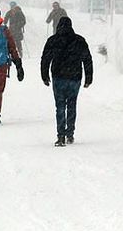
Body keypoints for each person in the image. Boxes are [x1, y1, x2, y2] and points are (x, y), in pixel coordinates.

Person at [40, 16, 93, 147]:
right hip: (75, 77)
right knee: (72, 105)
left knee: (60, 106)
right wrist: (88, 77)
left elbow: (45, 59)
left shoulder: (53, 40)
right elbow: (87, 59)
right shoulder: (79, 40)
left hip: (58, 77)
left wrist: (44, 75)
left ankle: (60, 135)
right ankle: (70, 133)